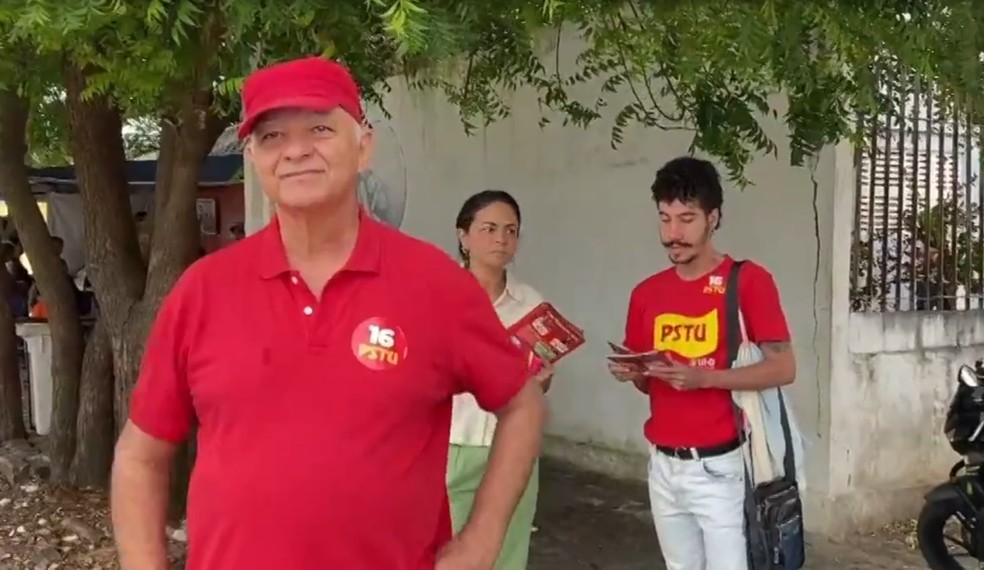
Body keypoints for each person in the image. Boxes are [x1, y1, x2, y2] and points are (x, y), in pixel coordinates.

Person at [110, 56, 546, 570]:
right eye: (271, 136)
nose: (296, 151)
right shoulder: (203, 290)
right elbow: (141, 455)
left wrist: (481, 541)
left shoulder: (436, 285)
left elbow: (522, 405)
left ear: (364, 146)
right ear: (252, 157)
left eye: (319, 128)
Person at [607, 157, 796, 570]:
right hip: (663, 465)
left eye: (687, 219)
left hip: (722, 468)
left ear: (714, 218)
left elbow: (784, 368)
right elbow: (650, 384)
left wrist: (705, 378)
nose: (673, 234)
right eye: (665, 218)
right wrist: (636, 373)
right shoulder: (646, 294)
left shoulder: (747, 281)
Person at [448, 190, 552, 570]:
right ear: (463, 235)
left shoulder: (531, 305)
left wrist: (542, 379)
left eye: (510, 231)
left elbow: (540, 385)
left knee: (507, 553)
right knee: (444, 552)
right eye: (488, 228)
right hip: (449, 443)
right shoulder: (438, 295)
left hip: (512, 446)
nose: (500, 239)